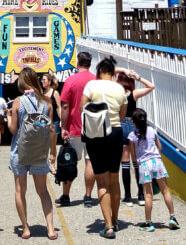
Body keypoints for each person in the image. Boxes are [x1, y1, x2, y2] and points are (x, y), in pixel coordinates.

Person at [80, 55, 127, 239]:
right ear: (113, 72)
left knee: (102, 182)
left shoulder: (92, 85)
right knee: (114, 180)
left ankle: (107, 226)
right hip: (115, 132)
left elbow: (81, 108)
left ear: (99, 71)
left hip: (97, 134)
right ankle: (115, 220)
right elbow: (122, 116)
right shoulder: (120, 89)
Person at [8, 68, 57, 240]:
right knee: (43, 191)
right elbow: (51, 130)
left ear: (22, 82)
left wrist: (8, 118)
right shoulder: (47, 103)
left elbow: (13, 130)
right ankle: (50, 229)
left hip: (20, 151)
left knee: (20, 190)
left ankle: (26, 228)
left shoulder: (17, 102)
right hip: (40, 152)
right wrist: (52, 154)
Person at [128, 108, 180, 232]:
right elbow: (159, 147)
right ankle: (172, 217)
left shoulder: (132, 136)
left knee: (148, 195)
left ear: (133, 122)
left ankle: (148, 223)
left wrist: (137, 163)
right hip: (157, 162)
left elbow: (133, 156)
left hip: (144, 164)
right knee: (165, 191)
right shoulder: (151, 130)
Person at [59, 51, 96, 207]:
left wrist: (64, 126)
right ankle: (88, 196)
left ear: (77, 63)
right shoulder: (96, 80)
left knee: (70, 161)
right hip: (93, 128)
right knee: (90, 162)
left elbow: (65, 105)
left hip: (74, 127)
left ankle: (66, 196)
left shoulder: (71, 81)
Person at [117, 71, 155, 204]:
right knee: (136, 161)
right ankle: (140, 195)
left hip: (121, 124)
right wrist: (138, 77)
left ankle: (127, 196)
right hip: (134, 125)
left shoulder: (117, 94)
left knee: (125, 162)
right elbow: (151, 86)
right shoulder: (134, 94)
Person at [41, 71, 62, 173]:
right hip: (44, 122)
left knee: (53, 144)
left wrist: (62, 120)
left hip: (55, 122)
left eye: (44, 80)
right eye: (42, 80)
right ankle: (45, 164)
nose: (42, 81)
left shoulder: (55, 93)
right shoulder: (42, 93)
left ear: (49, 81)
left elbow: (59, 107)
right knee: (44, 143)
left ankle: (53, 165)